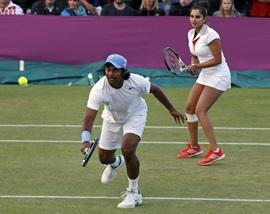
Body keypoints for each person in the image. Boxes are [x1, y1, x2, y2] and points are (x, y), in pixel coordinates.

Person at [81, 54, 185, 208]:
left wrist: (172, 110)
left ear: (123, 71)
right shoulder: (99, 89)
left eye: (115, 70)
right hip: (112, 119)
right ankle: (116, 163)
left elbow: (155, 90)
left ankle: (134, 193)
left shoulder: (136, 81)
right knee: (104, 158)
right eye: (108, 69)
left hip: (135, 115)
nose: (110, 73)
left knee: (128, 149)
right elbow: (89, 117)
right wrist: (85, 140)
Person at [176, 4, 231, 166]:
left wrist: (197, 67)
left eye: (197, 17)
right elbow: (194, 54)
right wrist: (193, 67)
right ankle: (194, 147)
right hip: (206, 74)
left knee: (201, 110)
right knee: (190, 108)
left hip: (219, 75)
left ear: (204, 19)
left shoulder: (212, 35)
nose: (193, 20)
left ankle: (215, 151)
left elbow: (217, 59)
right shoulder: (190, 33)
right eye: (192, 16)